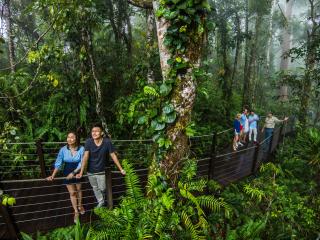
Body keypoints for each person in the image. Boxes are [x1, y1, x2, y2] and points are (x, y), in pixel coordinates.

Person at [76, 123, 126, 208]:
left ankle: (102, 200)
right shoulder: (88, 142)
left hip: (102, 171)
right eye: (93, 131)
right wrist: (81, 172)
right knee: (95, 187)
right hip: (90, 171)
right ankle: (101, 202)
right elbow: (85, 157)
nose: (94, 133)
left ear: (102, 133)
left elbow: (113, 155)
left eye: (97, 131)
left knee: (102, 188)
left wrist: (121, 169)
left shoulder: (107, 142)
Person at [46, 131, 85, 223]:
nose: (69, 139)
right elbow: (58, 163)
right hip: (67, 171)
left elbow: (82, 162)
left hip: (78, 171)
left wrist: (74, 172)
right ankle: (76, 211)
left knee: (79, 189)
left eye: (72, 137)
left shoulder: (81, 148)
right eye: (68, 137)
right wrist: (53, 175)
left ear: (76, 139)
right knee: (72, 193)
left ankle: (80, 205)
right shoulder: (63, 149)